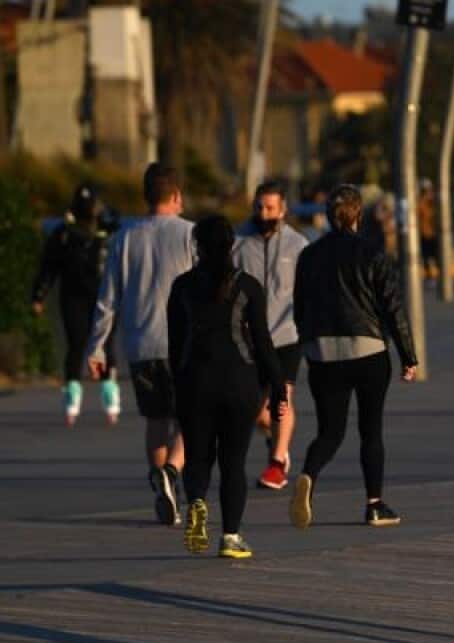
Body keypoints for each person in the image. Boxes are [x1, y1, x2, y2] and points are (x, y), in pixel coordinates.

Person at [291, 184, 419, 530]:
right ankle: (374, 505)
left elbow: (299, 308)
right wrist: (409, 355)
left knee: (330, 432)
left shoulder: (309, 256)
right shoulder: (372, 253)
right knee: (370, 430)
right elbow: (393, 308)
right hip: (368, 351)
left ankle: (308, 475)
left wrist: (307, 346)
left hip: (323, 353)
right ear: (358, 215)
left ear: (328, 217)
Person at [169, 216, 286, 559]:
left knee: (198, 456)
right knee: (233, 462)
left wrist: (177, 389)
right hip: (240, 383)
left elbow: (176, 345)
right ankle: (231, 537)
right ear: (232, 245)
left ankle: (197, 503)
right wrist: (278, 387)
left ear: (197, 246)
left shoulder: (182, 287)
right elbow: (263, 344)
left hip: (195, 381)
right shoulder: (247, 286)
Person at [86, 163, 195, 526]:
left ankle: (162, 485)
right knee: (191, 421)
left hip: (141, 345)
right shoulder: (190, 235)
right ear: (176, 196)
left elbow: (108, 299)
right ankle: (173, 474)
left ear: (146, 197)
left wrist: (97, 348)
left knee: (156, 419)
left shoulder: (125, 238)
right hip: (183, 343)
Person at [232, 181, 310, 490]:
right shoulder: (237, 242)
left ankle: (277, 463)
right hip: (248, 340)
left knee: (281, 400)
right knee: (258, 414)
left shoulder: (298, 246)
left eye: (270, 208)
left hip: (287, 337)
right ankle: (275, 441)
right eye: (259, 207)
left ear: (283, 210)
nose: (263, 214)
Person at [31, 182, 122, 427]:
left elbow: (120, 232)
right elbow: (48, 267)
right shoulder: (63, 234)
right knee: (77, 344)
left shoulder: (108, 229)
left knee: (105, 344)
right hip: (73, 297)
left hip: (104, 296)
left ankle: (110, 396)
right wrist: (39, 295)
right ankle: (72, 399)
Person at [417, 179, 439, 285]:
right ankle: (429, 276)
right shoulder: (420, 203)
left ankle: (437, 276)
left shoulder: (434, 203)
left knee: (435, 256)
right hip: (424, 234)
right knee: (426, 257)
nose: (429, 193)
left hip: (433, 234)